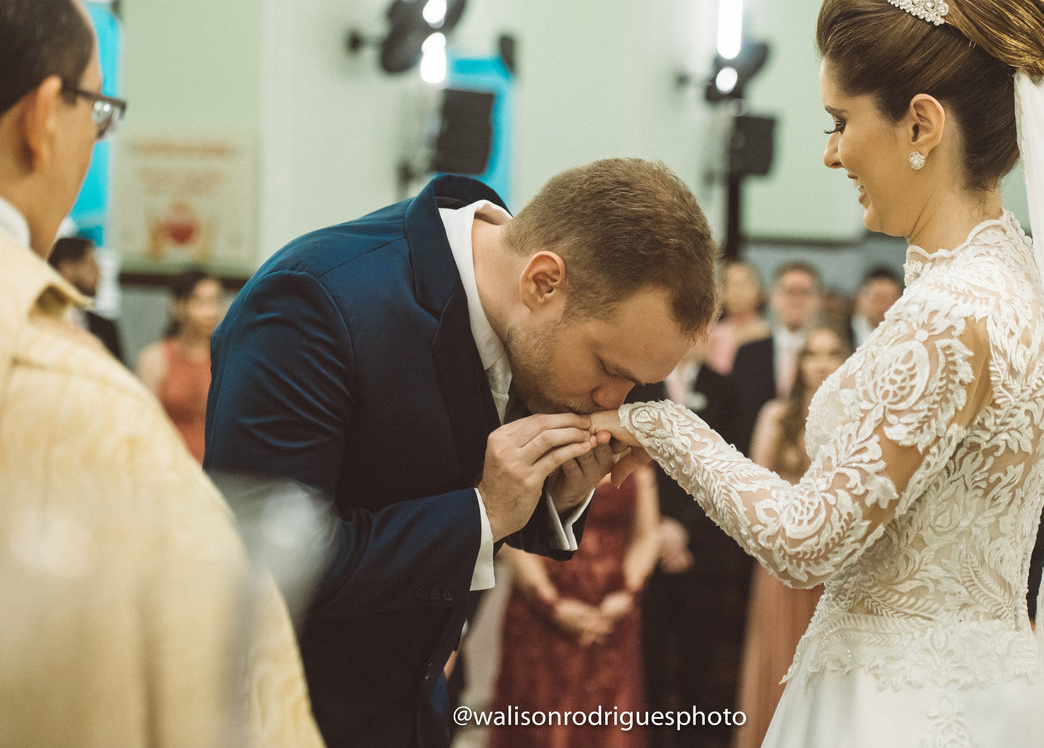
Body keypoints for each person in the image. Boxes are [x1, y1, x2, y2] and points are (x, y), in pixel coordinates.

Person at [591, 0, 1044, 745]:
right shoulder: (1018, 281)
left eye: (841, 121)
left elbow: (806, 538)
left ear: (920, 123)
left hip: (898, 704)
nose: (831, 153)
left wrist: (658, 424)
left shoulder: (951, 312)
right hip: (998, 685)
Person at [203, 158, 717, 748]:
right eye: (607, 369)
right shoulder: (314, 303)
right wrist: (483, 512)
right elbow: (261, 570)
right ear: (543, 281)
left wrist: (557, 490)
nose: (610, 400)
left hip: (419, 711)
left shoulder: (528, 319)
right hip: (292, 720)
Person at [0, 0, 324, 746]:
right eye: (95, 111)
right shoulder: (78, 401)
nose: (95, 142)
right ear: (42, 119)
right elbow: (235, 706)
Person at [733, 323, 849, 748]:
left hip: (839, 565)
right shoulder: (776, 415)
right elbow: (755, 487)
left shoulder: (859, 419)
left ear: (846, 359)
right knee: (780, 657)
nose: (821, 363)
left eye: (831, 352)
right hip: (783, 560)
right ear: (799, 363)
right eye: (812, 354)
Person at [487, 468, 659, 748]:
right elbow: (508, 534)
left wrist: (628, 593)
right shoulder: (538, 454)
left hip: (611, 612)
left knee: (608, 716)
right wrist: (550, 603)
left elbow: (647, 536)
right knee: (536, 715)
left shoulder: (637, 464)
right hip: (539, 608)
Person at [634, 339, 750, 748]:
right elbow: (634, 462)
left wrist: (683, 529)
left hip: (705, 548)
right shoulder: (639, 386)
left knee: (698, 657)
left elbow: (735, 466)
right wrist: (659, 528)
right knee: (647, 657)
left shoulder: (727, 388)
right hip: (647, 543)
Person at [729, 261, 822, 450]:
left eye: (804, 292)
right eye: (788, 291)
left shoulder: (831, 356)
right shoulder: (747, 353)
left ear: (818, 299)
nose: (796, 300)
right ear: (774, 298)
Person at [137, 268, 223, 462]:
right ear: (178, 306)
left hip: (217, 471)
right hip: (169, 466)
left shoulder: (226, 358)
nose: (211, 312)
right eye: (200, 302)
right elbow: (144, 425)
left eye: (215, 301)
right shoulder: (154, 358)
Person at [47, 235, 125, 362]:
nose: (99, 274)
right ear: (67, 268)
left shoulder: (105, 327)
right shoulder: (40, 321)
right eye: (91, 264)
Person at [705, 259, 770, 375]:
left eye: (743, 284)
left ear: (760, 291)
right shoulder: (711, 334)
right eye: (729, 285)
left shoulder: (767, 333)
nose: (736, 292)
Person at [847, 265, 902, 349]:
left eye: (891, 301)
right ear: (861, 299)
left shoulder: (905, 335)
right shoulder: (842, 333)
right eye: (878, 300)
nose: (885, 308)